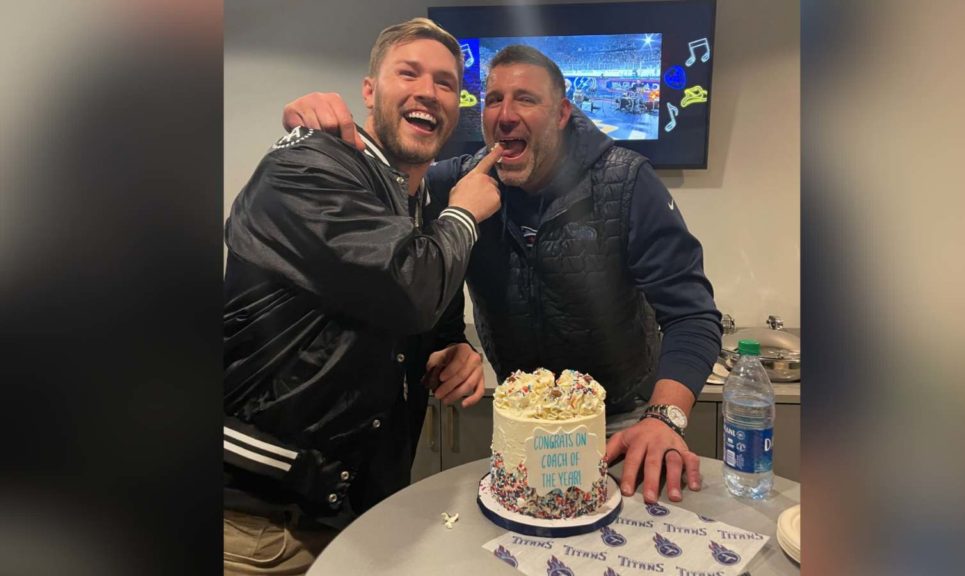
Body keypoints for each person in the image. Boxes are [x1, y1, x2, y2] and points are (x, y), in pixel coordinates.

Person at [281, 44, 722, 509]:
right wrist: (318, 132)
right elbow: (391, 177)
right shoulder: (456, 186)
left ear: (562, 113)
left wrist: (664, 419)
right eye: (493, 100)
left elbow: (692, 316)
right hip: (522, 421)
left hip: (620, 422)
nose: (505, 115)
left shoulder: (628, 183)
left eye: (526, 99)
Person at [222, 18, 503, 575]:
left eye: (446, 83)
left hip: (349, 518)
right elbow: (408, 289)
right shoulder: (308, 164)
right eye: (409, 72)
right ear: (370, 91)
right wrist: (467, 213)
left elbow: (428, 320)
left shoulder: (417, 206)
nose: (428, 90)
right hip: (256, 527)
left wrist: (453, 353)